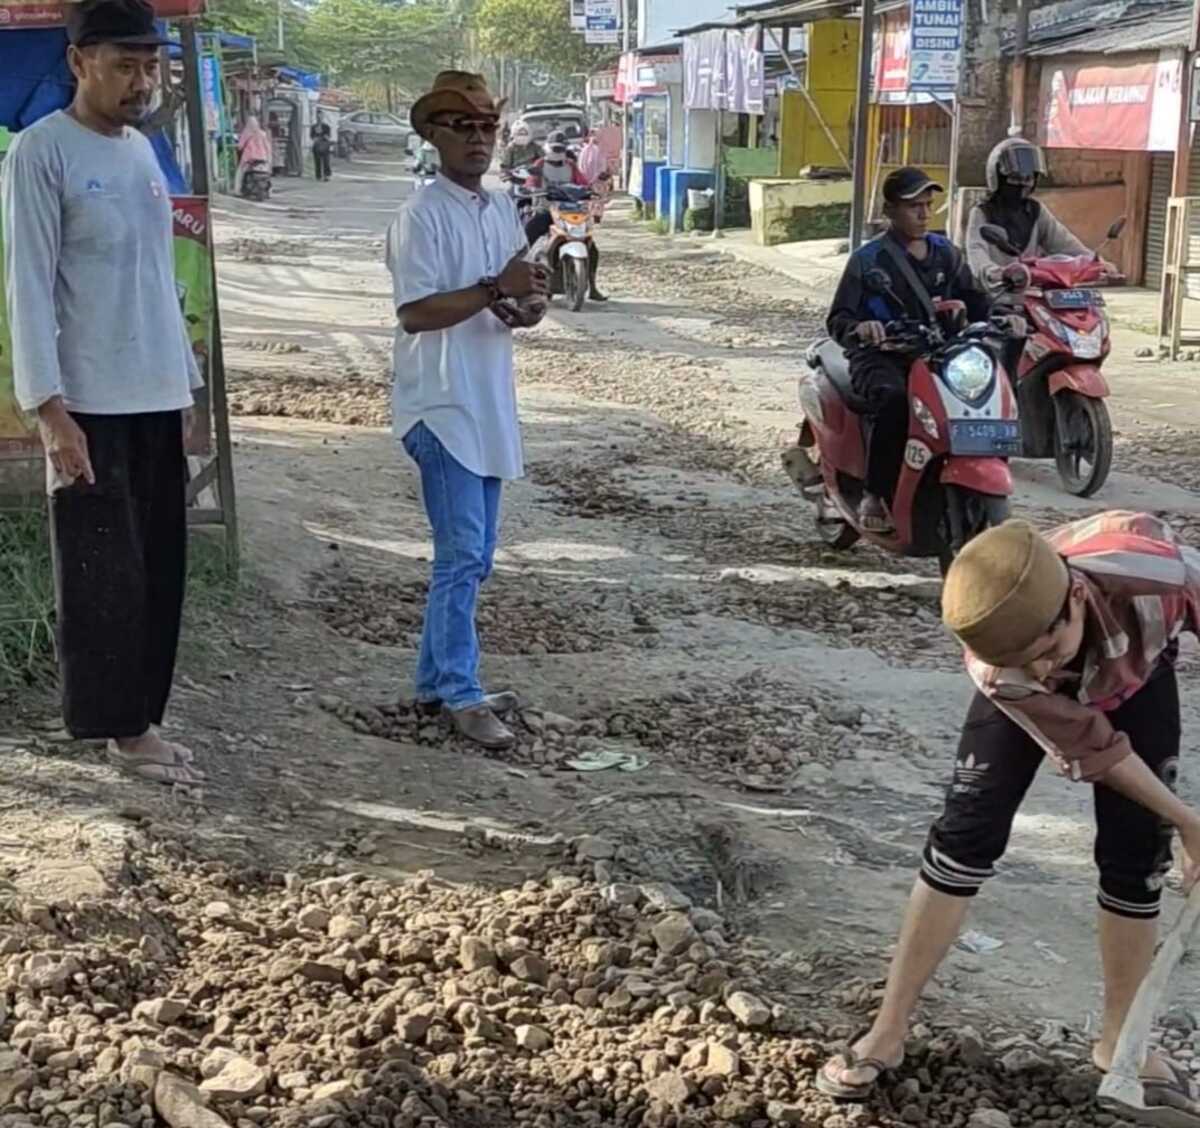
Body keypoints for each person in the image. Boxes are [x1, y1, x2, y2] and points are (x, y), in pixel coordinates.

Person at [818, 513, 1200, 1117]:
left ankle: (1121, 1046)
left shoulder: (1160, 575)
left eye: (1049, 649)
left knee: (1136, 856)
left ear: (1075, 598)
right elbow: (1098, 750)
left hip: (1135, 669)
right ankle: (887, 1031)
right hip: (1046, 695)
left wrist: (1180, 823)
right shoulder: (1000, 664)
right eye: (1032, 662)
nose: (1047, 671)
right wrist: (1188, 818)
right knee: (964, 836)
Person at [1, 0, 205, 786]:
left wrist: (183, 387)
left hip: (154, 392)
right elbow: (27, 285)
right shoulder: (40, 153)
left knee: (158, 567)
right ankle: (116, 728)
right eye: (125, 64)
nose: (140, 81)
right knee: (101, 575)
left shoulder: (142, 154)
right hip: (87, 401)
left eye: (150, 65)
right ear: (79, 61)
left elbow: (156, 282)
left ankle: (144, 716)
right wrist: (49, 410)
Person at [386, 71, 550, 750]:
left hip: (485, 403)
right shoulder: (419, 215)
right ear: (434, 136)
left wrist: (526, 304)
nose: (479, 139)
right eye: (464, 127)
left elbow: (508, 299)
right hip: (441, 403)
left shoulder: (499, 206)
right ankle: (459, 690)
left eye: (487, 127)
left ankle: (436, 681)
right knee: (460, 557)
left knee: (474, 556)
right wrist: (494, 288)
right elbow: (416, 312)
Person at [826, 167, 994, 534]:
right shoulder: (868, 261)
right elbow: (838, 319)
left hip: (939, 354)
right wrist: (861, 329)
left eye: (927, 205)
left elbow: (976, 301)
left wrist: (1004, 318)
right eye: (912, 206)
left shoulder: (946, 254)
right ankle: (875, 492)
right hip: (882, 355)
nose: (923, 214)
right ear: (889, 211)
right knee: (894, 401)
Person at [966, 137, 1100, 282]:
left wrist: (1094, 261)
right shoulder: (983, 213)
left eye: (1028, 178)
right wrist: (992, 272)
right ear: (999, 177)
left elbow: (1063, 242)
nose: (1022, 184)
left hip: (1031, 290)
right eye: (1015, 178)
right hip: (994, 292)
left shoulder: (1035, 211)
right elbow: (976, 252)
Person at [525, 130, 606, 302]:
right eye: (554, 148)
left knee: (592, 248)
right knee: (526, 237)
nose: (557, 151)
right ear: (548, 148)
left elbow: (583, 183)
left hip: (570, 212)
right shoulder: (539, 164)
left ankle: (592, 286)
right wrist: (533, 187)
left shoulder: (570, 165)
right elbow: (530, 182)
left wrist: (590, 190)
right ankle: (523, 280)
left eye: (560, 148)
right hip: (546, 210)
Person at [235, 115, 271, 196]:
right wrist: (268, 158)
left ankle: (238, 190)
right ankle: (269, 191)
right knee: (267, 173)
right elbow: (268, 147)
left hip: (249, 159)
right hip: (262, 158)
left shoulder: (246, 133)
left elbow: (240, 146)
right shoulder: (263, 134)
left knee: (240, 172)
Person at [310, 115, 333, 182]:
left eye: (320, 117)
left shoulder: (326, 126)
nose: (319, 119)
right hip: (317, 145)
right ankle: (318, 175)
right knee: (317, 161)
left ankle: (327, 175)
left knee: (326, 161)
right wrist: (315, 138)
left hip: (325, 145)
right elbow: (311, 136)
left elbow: (328, 136)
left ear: (322, 118)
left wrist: (325, 136)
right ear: (316, 118)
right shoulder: (313, 126)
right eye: (318, 117)